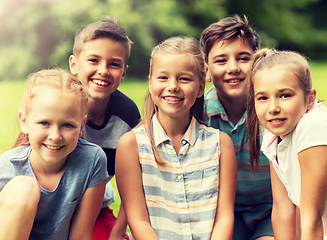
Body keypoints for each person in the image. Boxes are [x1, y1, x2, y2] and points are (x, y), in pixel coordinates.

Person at [115, 36, 237, 240]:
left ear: (200, 88)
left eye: (184, 79)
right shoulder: (131, 145)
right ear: (150, 82)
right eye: (163, 78)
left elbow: (224, 217)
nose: (173, 86)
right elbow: (138, 221)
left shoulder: (220, 144)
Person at [0, 69, 108, 239]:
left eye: (67, 125)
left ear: (81, 126)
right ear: (24, 122)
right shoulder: (5, 167)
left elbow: (81, 235)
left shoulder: (92, 160)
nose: (55, 136)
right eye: (44, 123)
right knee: (24, 188)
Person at [200, 15, 274, 240]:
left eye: (243, 58)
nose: (233, 68)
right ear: (207, 71)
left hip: (272, 209)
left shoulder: (273, 111)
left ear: (258, 61)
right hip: (220, 213)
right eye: (221, 61)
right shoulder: (198, 114)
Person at [69, 16, 140, 240]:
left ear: (124, 71)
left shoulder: (128, 114)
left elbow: (134, 185)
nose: (103, 70)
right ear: (74, 64)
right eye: (94, 60)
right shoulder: (56, 101)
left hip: (95, 209)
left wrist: (118, 233)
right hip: (49, 203)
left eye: (114, 64)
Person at [247, 48, 327, 239]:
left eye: (285, 95)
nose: (273, 108)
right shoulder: (272, 137)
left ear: (310, 99)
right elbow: (283, 211)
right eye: (263, 98)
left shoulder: (313, 126)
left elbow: (312, 219)